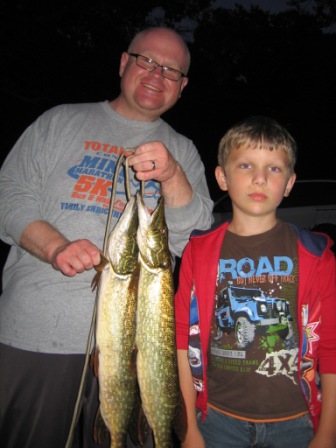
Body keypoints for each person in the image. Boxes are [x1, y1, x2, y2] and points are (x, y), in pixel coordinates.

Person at [0, 27, 213, 448]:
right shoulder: (60, 121)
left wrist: (171, 175)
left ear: (182, 86)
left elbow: (197, 239)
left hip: (141, 356)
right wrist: (55, 246)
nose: (157, 74)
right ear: (123, 63)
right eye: (146, 60)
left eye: (171, 70)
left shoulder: (183, 151)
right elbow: (9, 197)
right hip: (39, 334)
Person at [175, 116, 336, 448]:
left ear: (289, 183)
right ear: (223, 177)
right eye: (246, 165)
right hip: (217, 420)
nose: (260, 178)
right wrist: (189, 425)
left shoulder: (316, 255)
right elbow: (181, 340)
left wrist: (328, 431)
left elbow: (331, 347)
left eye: (274, 169)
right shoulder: (199, 251)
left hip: (296, 422)